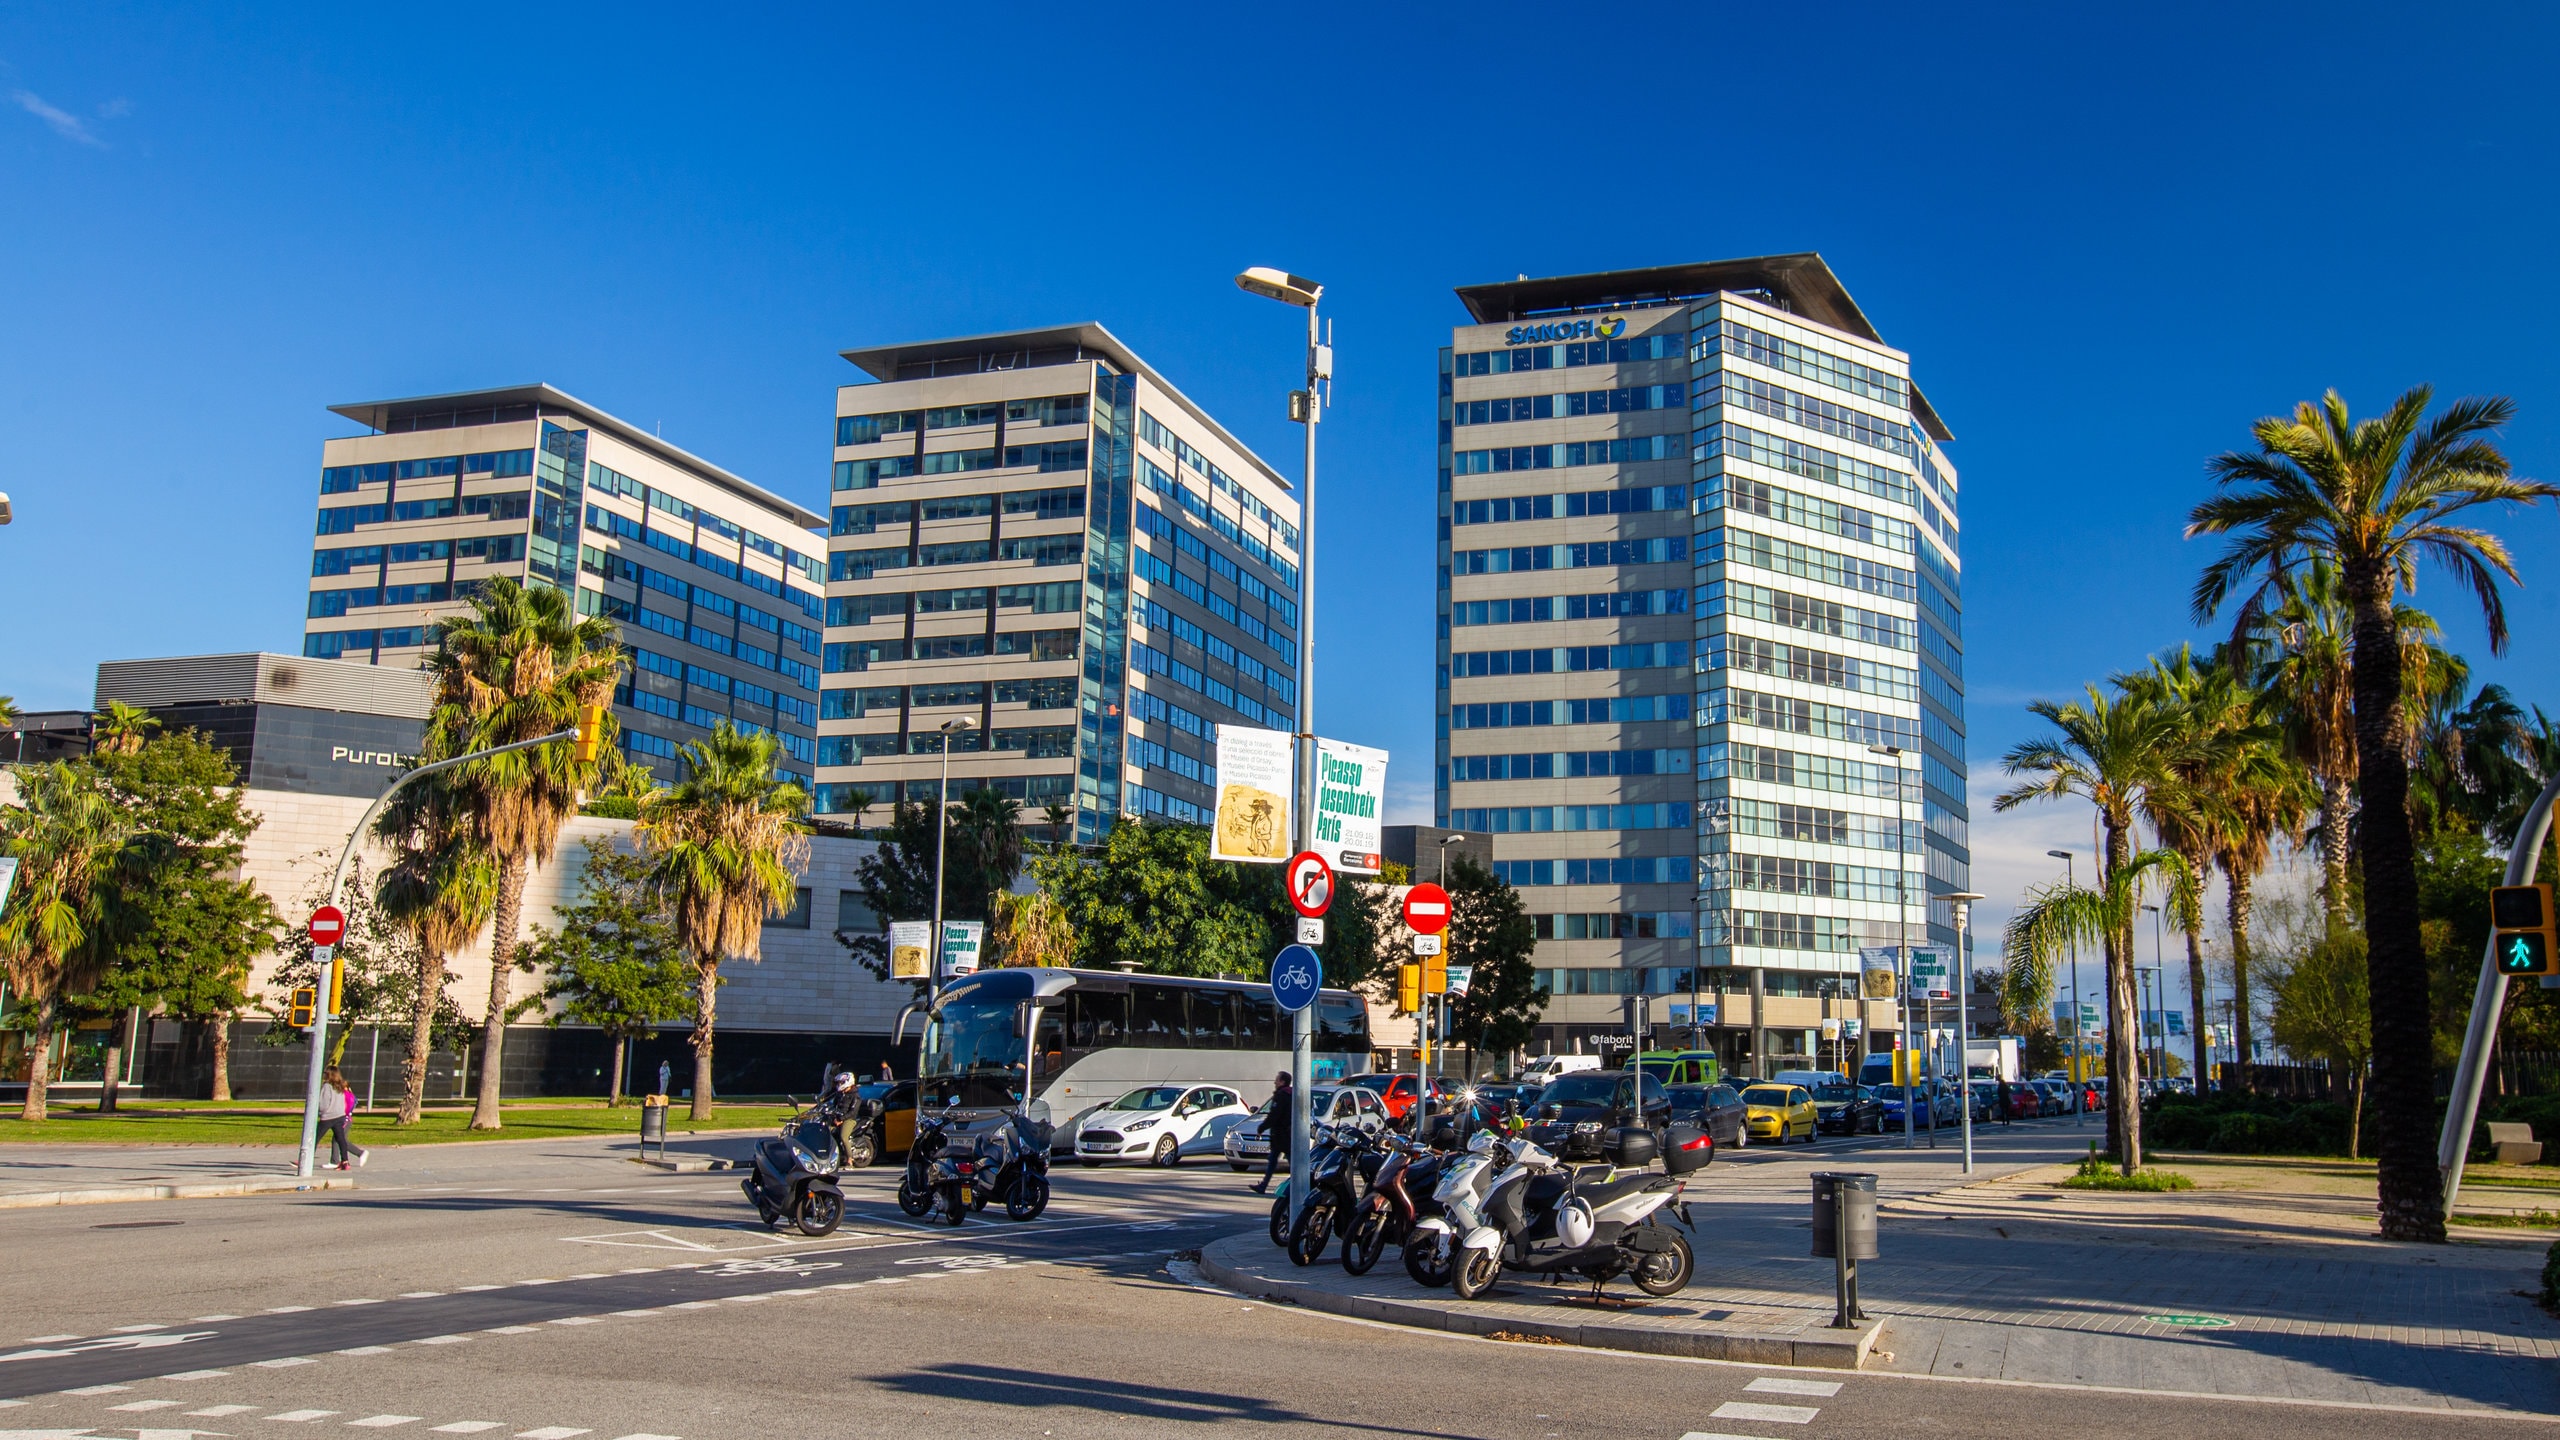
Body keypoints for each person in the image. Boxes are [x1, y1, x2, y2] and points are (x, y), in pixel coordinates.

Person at [1252, 1071, 1293, 1195]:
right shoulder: (1291, 1094)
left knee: (1286, 1161)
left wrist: (1261, 1128)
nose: (1275, 1082)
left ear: (1282, 1082)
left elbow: (1274, 1115)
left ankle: (1297, 1184)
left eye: (1277, 1080)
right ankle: (1264, 1185)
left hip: (1281, 1134)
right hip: (1287, 1133)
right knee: (1275, 1159)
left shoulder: (1281, 1095)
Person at [321, 1067, 367, 1171]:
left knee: (339, 1139)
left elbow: (345, 1106)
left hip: (344, 1118)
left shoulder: (344, 1094)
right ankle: (341, 1160)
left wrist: (343, 1115)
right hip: (344, 1118)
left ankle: (357, 1154)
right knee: (339, 1139)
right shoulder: (346, 1093)